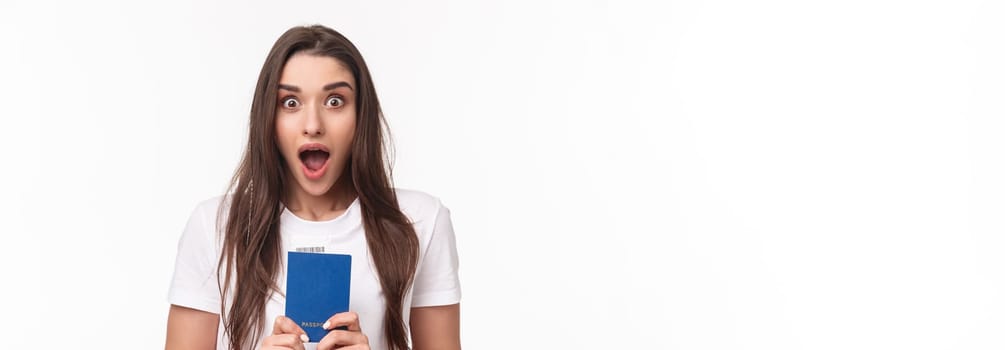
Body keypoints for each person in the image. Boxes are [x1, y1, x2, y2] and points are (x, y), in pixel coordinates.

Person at [164, 25, 461, 350]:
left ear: (361, 115)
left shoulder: (419, 221)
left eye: (335, 101)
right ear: (268, 118)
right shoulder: (214, 226)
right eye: (290, 103)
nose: (313, 125)